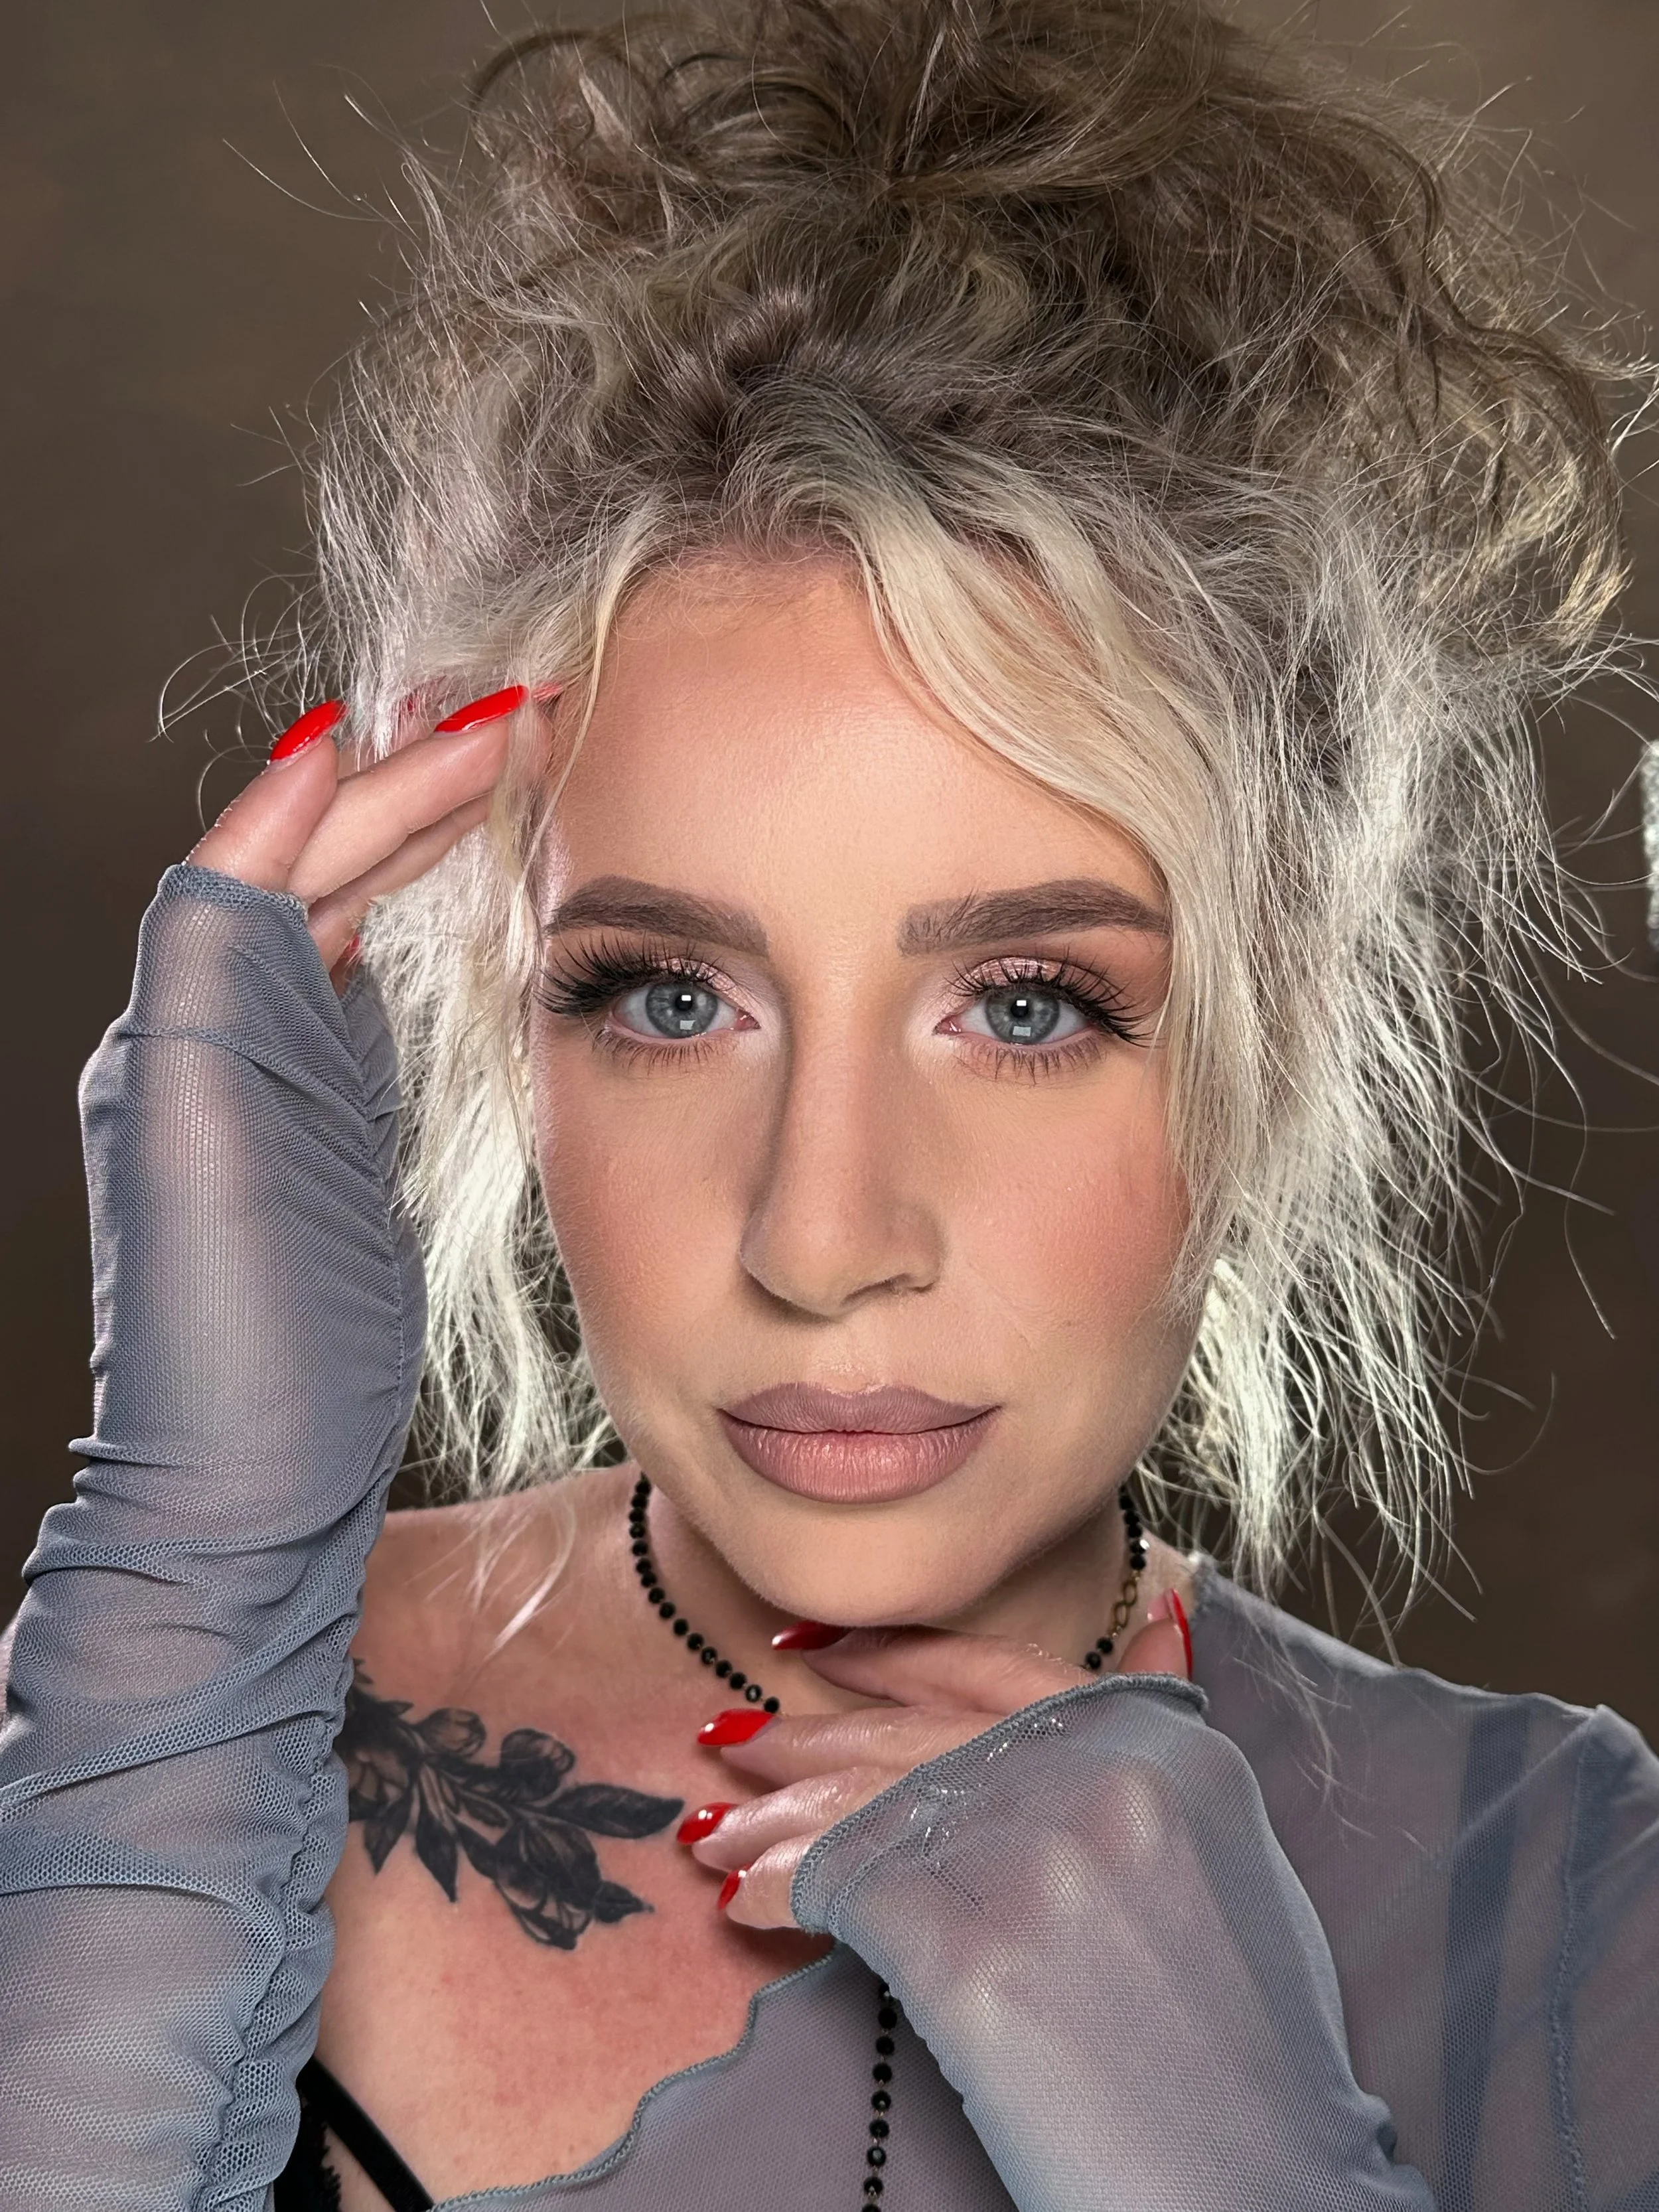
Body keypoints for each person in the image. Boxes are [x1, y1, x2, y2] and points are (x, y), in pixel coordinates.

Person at [1, 1, 1654, 2206]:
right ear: (500, 1011)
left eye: (1033, 1003)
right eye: (669, 994)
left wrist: (1223, 2148)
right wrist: (190, 1567)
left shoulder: (1564, 1906)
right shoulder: (137, 1713)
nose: (818, 1229)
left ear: (1279, 1032)